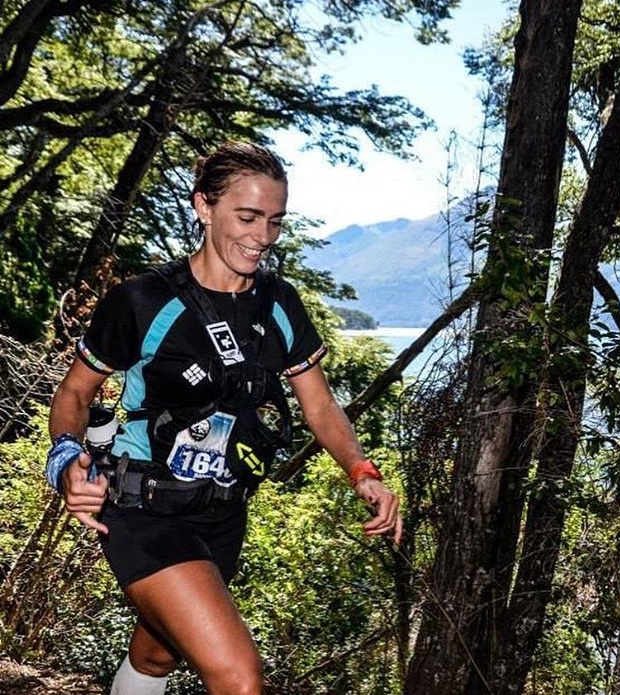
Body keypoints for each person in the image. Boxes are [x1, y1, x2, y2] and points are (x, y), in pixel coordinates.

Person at [45, 141, 402, 695]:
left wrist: (362, 471)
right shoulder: (142, 301)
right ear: (203, 207)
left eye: (275, 222)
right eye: (247, 216)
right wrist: (67, 459)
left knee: (157, 655)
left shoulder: (280, 304)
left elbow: (320, 404)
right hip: (146, 508)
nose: (261, 236)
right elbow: (73, 393)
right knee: (237, 676)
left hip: (222, 515)